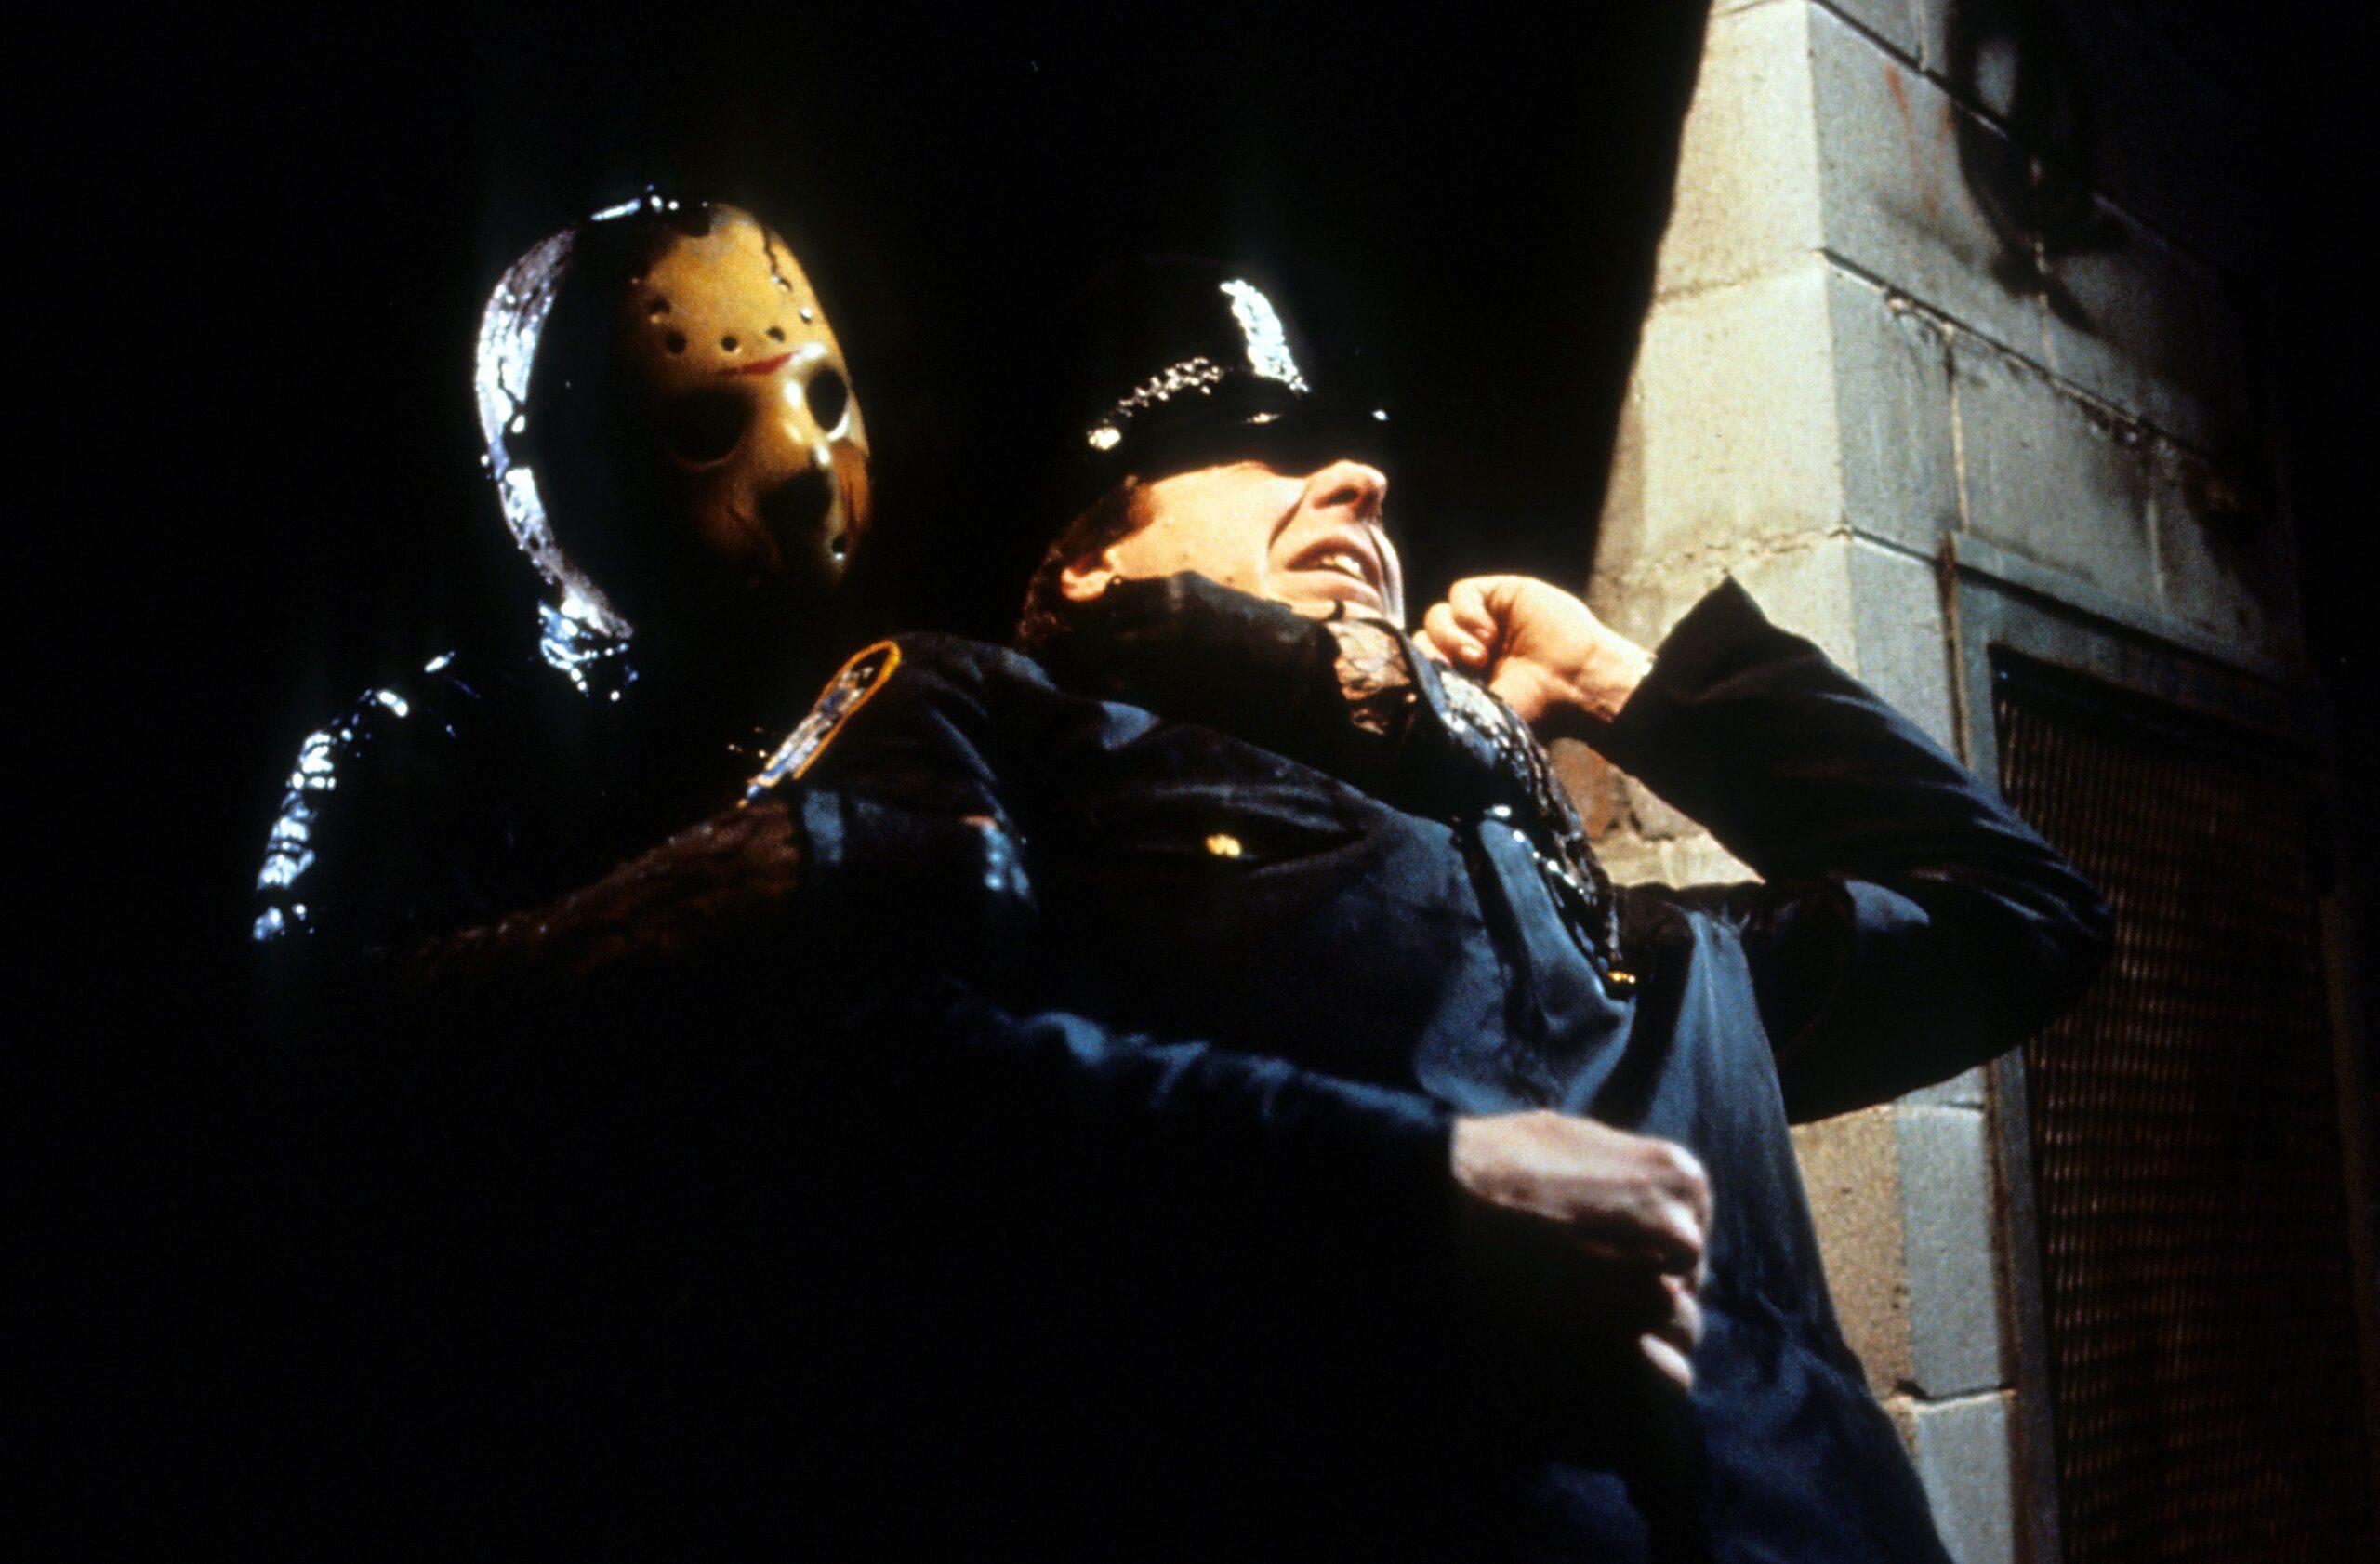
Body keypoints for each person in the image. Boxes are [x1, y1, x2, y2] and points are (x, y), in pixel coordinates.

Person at [688, 257, 2110, 1562]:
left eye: (1356, 463)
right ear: (1087, 558)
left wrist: (1616, 681)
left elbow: (2022, 913)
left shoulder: (1638, 946)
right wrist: (1417, 1194)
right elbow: (811, 1069)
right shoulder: (1009, 737)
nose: (1361, 481)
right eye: (1256, 449)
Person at [250, 192, 875, 973]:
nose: (806, 465)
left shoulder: (881, 704)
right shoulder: (412, 761)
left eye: (824, 400)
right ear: (544, 481)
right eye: (706, 425)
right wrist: (701, 896)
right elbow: (318, 1003)